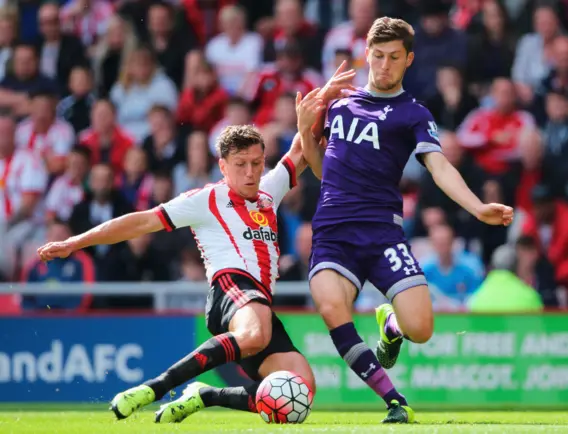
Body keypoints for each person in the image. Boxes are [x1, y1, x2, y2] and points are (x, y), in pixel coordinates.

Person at [36, 68, 356, 424]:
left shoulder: (270, 191)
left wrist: (325, 95)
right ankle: (153, 388)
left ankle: (205, 396)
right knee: (255, 333)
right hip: (230, 289)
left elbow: (302, 143)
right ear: (223, 166)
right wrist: (75, 241)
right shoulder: (207, 198)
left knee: (300, 388)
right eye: (241, 165)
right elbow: (139, 221)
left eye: (256, 163)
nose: (250, 172)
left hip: (258, 301)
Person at [299, 17, 513, 423]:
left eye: (394, 57)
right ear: (366, 54)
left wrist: (477, 207)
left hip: (382, 233)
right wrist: (304, 132)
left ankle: (391, 326)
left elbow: (439, 166)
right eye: (377, 56)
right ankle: (395, 400)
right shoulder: (339, 105)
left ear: (409, 60)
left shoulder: (412, 113)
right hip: (333, 232)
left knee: (421, 329)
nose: (383, 65)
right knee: (332, 307)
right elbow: (323, 170)